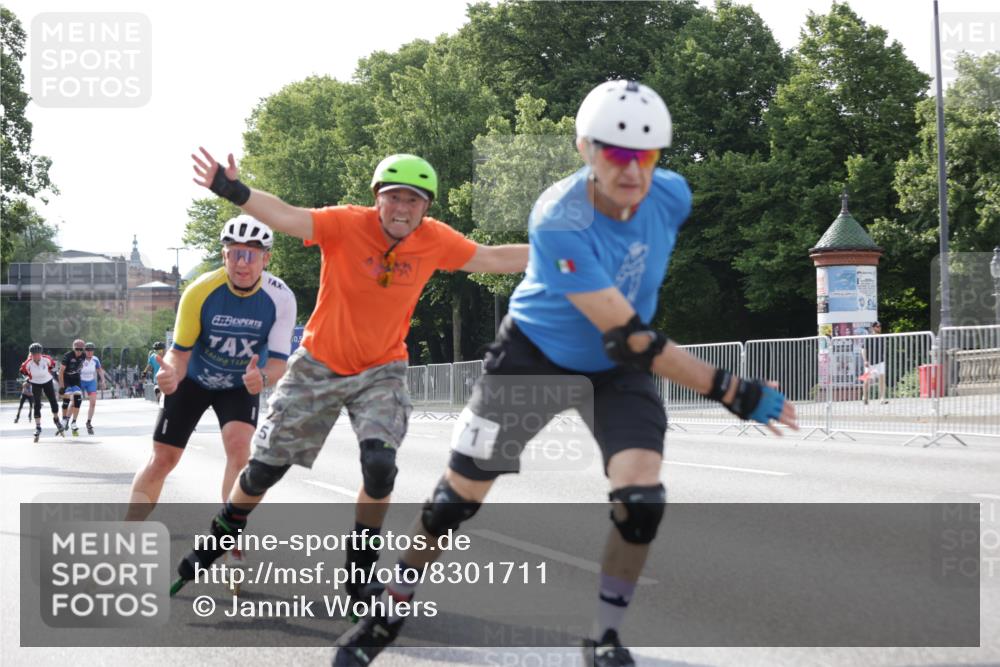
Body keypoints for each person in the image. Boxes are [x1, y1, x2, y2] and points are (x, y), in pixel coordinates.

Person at [331, 80, 798, 667]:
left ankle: (603, 637)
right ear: (585, 149)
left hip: (615, 369)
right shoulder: (558, 219)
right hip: (534, 356)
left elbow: (628, 337)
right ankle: (391, 605)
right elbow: (631, 334)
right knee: (454, 502)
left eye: (646, 154)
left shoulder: (673, 195)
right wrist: (732, 389)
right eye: (615, 153)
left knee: (641, 501)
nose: (632, 171)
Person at [169, 149, 529, 596]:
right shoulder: (346, 224)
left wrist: (560, 256)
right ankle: (223, 531)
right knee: (264, 470)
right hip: (318, 364)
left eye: (413, 201)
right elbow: (286, 216)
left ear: (426, 207)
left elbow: (491, 258)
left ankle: (359, 573)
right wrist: (232, 190)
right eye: (394, 197)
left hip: (382, 370)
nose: (402, 209)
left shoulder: (434, 239)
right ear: (377, 198)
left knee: (380, 467)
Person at [125, 216, 297, 528]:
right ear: (224, 256)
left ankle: (229, 535)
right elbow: (179, 353)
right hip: (193, 379)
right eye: (235, 254)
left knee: (239, 450)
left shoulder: (281, 297)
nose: (242, 264)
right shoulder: (200, 290)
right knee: (163, 459)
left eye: (251, 255)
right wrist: (170, 374)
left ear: (266, 259)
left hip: (240, 382)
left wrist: (263, 378)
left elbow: (278, 363)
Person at [19, 343, 65, 441]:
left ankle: (56, 420)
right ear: (31, 354)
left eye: (38, 353)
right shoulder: (27, 363)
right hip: (35, 383)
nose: (36, 356)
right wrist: (27, 379)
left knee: (53, 402)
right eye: (34, 354)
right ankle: (38, 427)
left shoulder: (47, 359)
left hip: (47, 381)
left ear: (41, 353)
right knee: (37, 404)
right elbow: (23, 372)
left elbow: (52, 367)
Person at [59, 339, 86, 436]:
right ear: (73, 348)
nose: (79, 351)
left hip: (75, 378)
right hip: (66, 377)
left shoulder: (83, 356)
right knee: (67, 397)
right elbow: (61, 372)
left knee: (78, 398)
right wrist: (62, 386)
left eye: (81, 349)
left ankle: (73, 422)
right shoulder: (67, 356)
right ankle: (64, 419)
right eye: (77, 349)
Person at [79, 342, 107, 434]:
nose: (89, 352)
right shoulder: (80, 359)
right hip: (80, 381)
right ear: (85, 351)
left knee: (93, 403)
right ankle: (68, 419)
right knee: (75, 402)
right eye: (87, 350)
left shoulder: (95, 359)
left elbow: (99, 370)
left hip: (90, 382)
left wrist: (103, 380)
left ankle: (88, 422)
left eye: (91, 350)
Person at [861, 321, 888, 405]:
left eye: (880, 326)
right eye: (877, 326)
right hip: (870, 362)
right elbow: (863, 349)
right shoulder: (868, 337)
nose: (879, 328)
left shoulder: (882, 337)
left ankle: (882, 398)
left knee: (882, 379)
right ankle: (865, 397)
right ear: (873, 328)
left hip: (880, 361)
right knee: (866, 380)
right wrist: (865, 360)